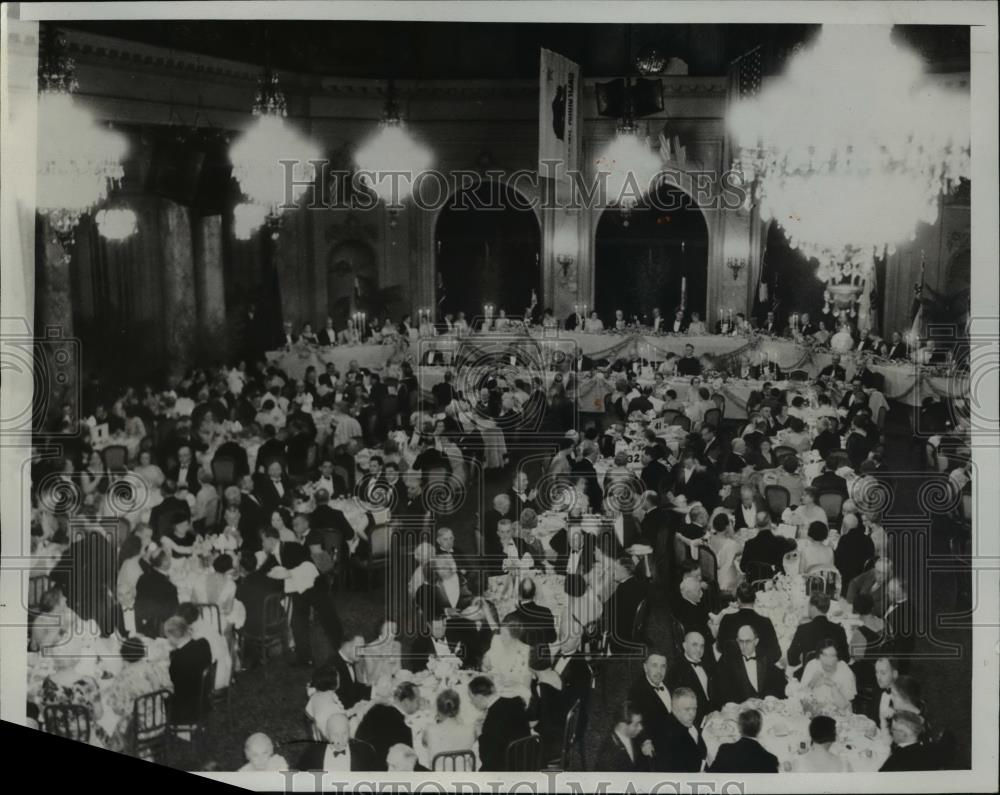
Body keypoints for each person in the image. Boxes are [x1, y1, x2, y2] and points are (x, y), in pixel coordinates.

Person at [469, 675, 531, 772]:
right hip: (525, 759)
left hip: (506, 769)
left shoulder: (491, 719)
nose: (471, 702)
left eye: (471, 698)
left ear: (479, 697)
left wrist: (480, 734)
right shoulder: (516, 701)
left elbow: (487, 759)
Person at [354, 681, 420, 771]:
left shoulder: (376, 709)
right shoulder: (404, 728)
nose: (420, 704)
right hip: (384, 771)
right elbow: (410, 761)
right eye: (417, 700)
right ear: (406, 702)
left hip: (361, 763)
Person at [716, 624, 785, 704]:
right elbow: (725, 692)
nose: (744, 646)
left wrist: (769, 698)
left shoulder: (766, 658)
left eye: (748, 641)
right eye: (741, 641)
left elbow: (776, 686)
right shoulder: (729, 662)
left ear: (756, 641)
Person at [164, 616, 212, 725]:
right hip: (203, 699)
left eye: (168, 637)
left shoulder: (178, 658)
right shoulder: (203, 643)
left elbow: (173, 682)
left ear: (173, 637)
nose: (168, 640)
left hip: (186, 709)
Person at [716, 583, 782, 662]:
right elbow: (776, 653)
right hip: (759, 671)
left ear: (738, 600)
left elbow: (720, 647)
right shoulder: (765, 622)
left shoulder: (727, 619)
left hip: (732, 670)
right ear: (755, 600)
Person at [666, 632, 716, 729]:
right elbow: (680, 709)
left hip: (711, 720)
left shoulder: (707, 664)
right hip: (694, 724)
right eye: (694, 645)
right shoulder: (676, 670)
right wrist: (704, 720)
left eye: (702, 646)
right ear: (685, 646)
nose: (699, 650)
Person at [296, 712, 378, 771]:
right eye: (335, 734)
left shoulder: (365, 752)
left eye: (344, 733)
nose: (340, 739)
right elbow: (300, 780)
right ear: (327, 734)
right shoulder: (311, 754)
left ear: (349, 732)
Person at [788, 593, 850, 669]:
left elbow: (791, 660)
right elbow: (846, 659)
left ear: (813, 607)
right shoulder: (839, 630)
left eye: (809, 606)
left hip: (810, 677)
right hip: (832, 676)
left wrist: (803, 659)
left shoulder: (803, 629)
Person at [708, 708, 779, 773]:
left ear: (739, 727)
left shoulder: (725, 750)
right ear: (760, 728)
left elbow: (710, 776)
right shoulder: (770, 760)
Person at [481, 615, 532, 698]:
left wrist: (513, 683)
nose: (501, 637)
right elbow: (486, 664)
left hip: (511, 695)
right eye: (501, 633)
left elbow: (526, 684)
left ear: (515, 637)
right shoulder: (497, 640)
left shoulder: (525, 650)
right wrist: (485, 663)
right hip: (491, 689)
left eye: (505, 635)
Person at [801, 639, 858, 712]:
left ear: (838, 657)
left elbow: (844, 706)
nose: (827, 660)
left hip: (839, 714)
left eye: (832, 656)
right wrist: (811, 683)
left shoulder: (845, 671)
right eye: (824, 655)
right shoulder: (813, 665)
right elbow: (801, 695)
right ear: (819, 655)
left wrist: (833, 686)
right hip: (814, 711)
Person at [595, 701, 654, 771]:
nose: (641, 727)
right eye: (636, 724)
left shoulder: (636, 737)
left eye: (640, 723)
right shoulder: (606, 753)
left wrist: (646, 744)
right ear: (622, 725)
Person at [659, 688, 707, 772]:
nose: (692, 714)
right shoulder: (668, 734)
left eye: (694, 709)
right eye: (687, 709)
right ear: (674, 708)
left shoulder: (685, 722)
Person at [134, 550, 179, 639]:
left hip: (140, 626)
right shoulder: (169, 587)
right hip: (160, 631)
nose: (170, 561)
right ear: (163, 564)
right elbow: (174, 612)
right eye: (168, 559)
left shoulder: (142, 578)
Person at [423, 688, 476, 764]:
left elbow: (424, 743)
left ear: (438, 711)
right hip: (464, 773)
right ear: (458, 709)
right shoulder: (471, 729)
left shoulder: (429, 729)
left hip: (439, 774)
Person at [332, 636, 371, 709]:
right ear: (347, 647)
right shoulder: (332, 665)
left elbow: (354, 689)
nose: (362, 652)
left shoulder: (351, 662)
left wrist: (375, 690)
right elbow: (338, 698)